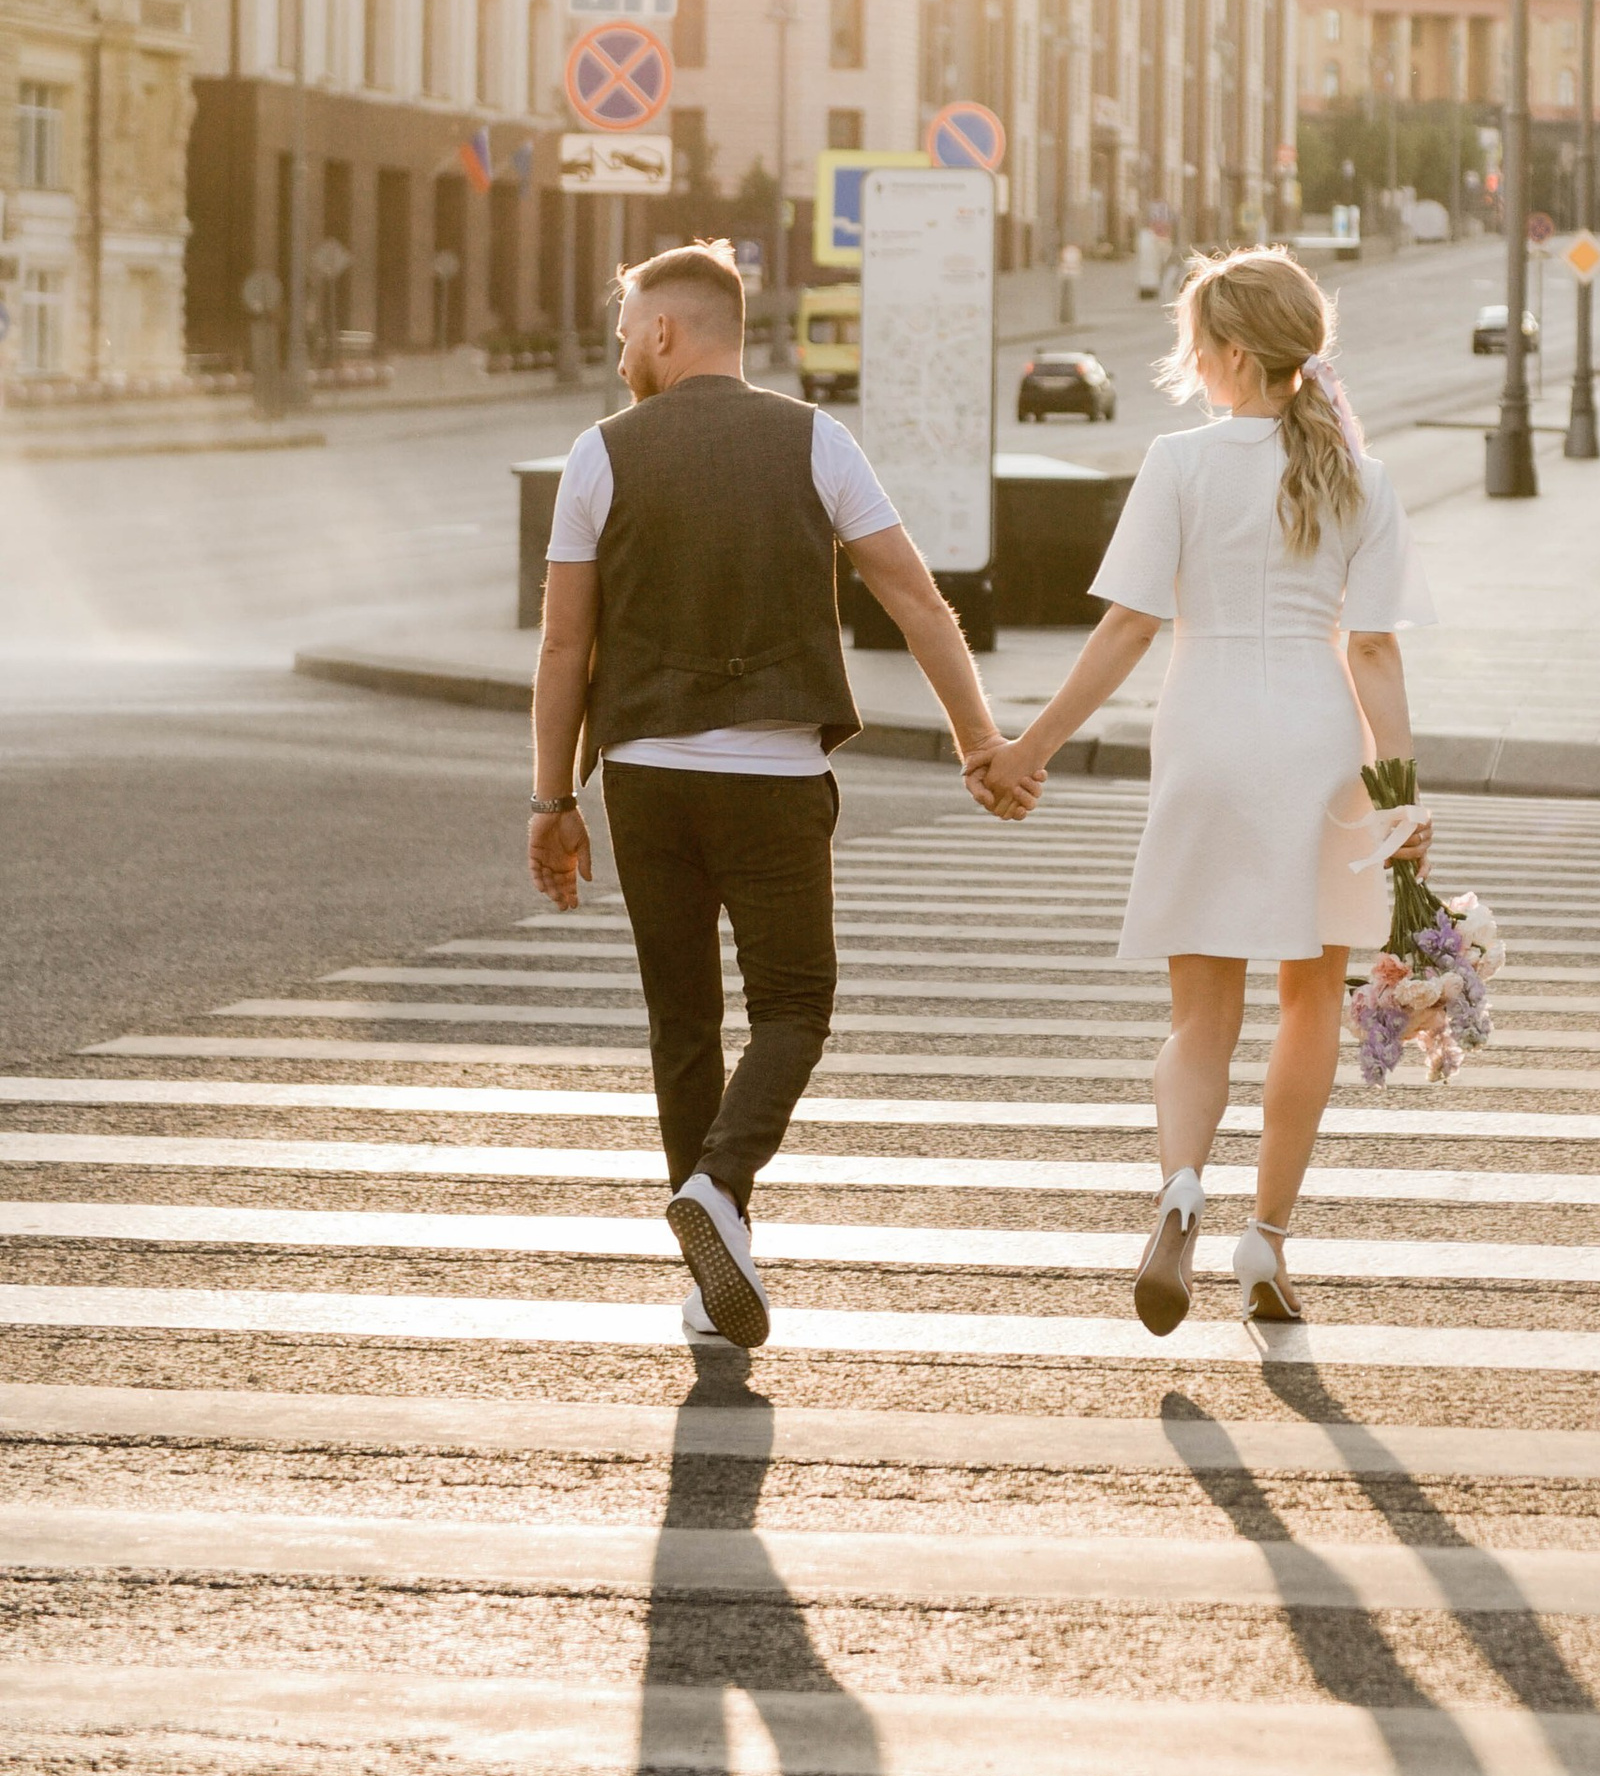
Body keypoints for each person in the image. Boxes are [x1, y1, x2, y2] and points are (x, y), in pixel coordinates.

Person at [528, 236, 1017, 1349]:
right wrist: (979, 740)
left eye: (625, 333)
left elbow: (563, 645)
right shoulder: (817, 440)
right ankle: (719, 1191)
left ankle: (716, 1259)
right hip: (777, 778)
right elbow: (917, 601)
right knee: (794, 1008)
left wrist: (553, 800)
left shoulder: (598, 454)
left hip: (646, 778)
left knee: (683, 1021)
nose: (620, 354)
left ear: (665, 330)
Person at [979, 244, 1433, 1332]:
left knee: (1200, 1014)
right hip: (1320, 744)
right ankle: (1265, 1237)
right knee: (1308, 1002)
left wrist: (1029, 746)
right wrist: (1403, 796)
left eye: (1196, 344)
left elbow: (1127, 627)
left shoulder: (1178, 463)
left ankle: (1181, 1186)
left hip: (1204, 738)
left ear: (1229, 352)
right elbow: (1374, 651)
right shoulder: (1362, 479)